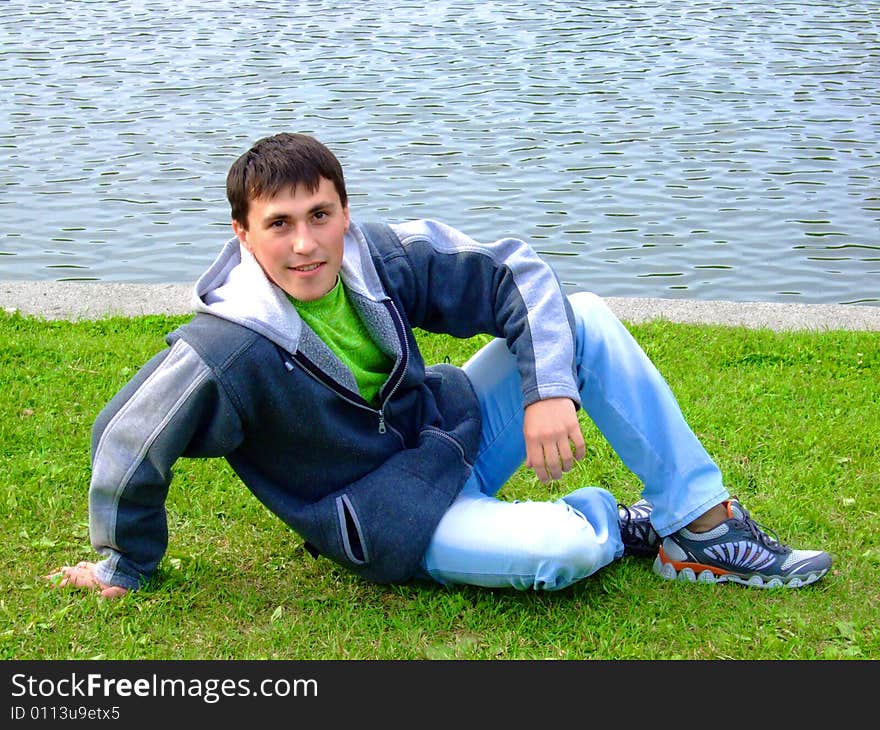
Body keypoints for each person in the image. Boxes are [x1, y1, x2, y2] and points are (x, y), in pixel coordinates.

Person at [48, 132, 831, 599]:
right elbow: (128, 436)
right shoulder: (227, 347)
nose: (306, 244)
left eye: (321, 215)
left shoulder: (377, 256)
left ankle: (699, 526)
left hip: (450, 434)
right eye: (279, 224)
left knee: (582, 318)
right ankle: (616, 522)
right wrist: (127, 561)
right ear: (243, 233)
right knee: (564, 553)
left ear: (344, 212)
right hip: (388, 518)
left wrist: (548, 390)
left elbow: (513, 274)